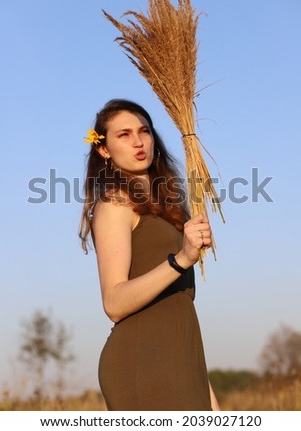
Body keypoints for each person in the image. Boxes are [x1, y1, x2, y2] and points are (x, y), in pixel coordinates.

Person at [79, 99, 219, 411]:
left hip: (183, 362)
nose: (139, 141)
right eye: (124, 134)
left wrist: (211, 403)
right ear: (103, 149)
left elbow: (178, 312)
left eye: (144, 131)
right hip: (143, 364)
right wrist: (181, 259)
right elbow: (114, 304)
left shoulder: (170, 208)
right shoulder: (115, 203)